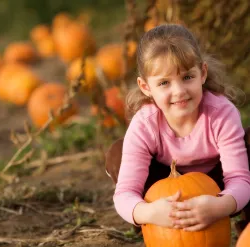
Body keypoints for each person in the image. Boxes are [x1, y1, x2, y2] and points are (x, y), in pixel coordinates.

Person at [105, 23, 250, 233]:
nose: (179, 91)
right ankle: (152, 223)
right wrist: (149, 212)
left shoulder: (221, 114)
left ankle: (247, 226)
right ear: (146, 87)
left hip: (219, 184)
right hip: (164, 187)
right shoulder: (145, 124)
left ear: (202, 73)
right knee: (118, 153)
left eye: (187, 77)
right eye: (164, 83)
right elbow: (124, 193)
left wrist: (220, 206)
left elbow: (240, 179)